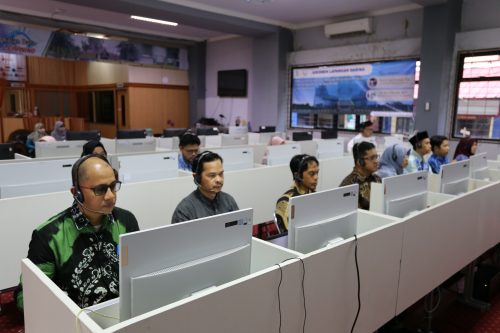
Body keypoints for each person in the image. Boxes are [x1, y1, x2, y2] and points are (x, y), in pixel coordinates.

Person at [15, 154, 139, 310]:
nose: (110, 196)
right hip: (77, 322)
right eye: (100, 189)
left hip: (126, 312)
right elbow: (26, 297)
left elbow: (138, 271)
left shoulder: (126, 221)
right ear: (76, 192)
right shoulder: (49, 235)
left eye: (113, 186)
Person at [171, 151, 239, 223]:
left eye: (221, 174)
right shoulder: (185, 210)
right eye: (212, 175)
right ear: (197, 177)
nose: (219, 180)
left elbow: (239, 229)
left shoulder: (228, 200)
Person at [275, 154, 319, 232]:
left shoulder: (314, 194)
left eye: (317, 173)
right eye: (311, 174)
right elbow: (288, 235)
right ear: (297, 175)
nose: (316, 178)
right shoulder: (286, 201)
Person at [340, 142, 381, 210]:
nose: (376, 161)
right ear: (360, 161)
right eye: (372, 158)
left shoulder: (377, 179)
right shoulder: (349, 185)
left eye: (376, 157)